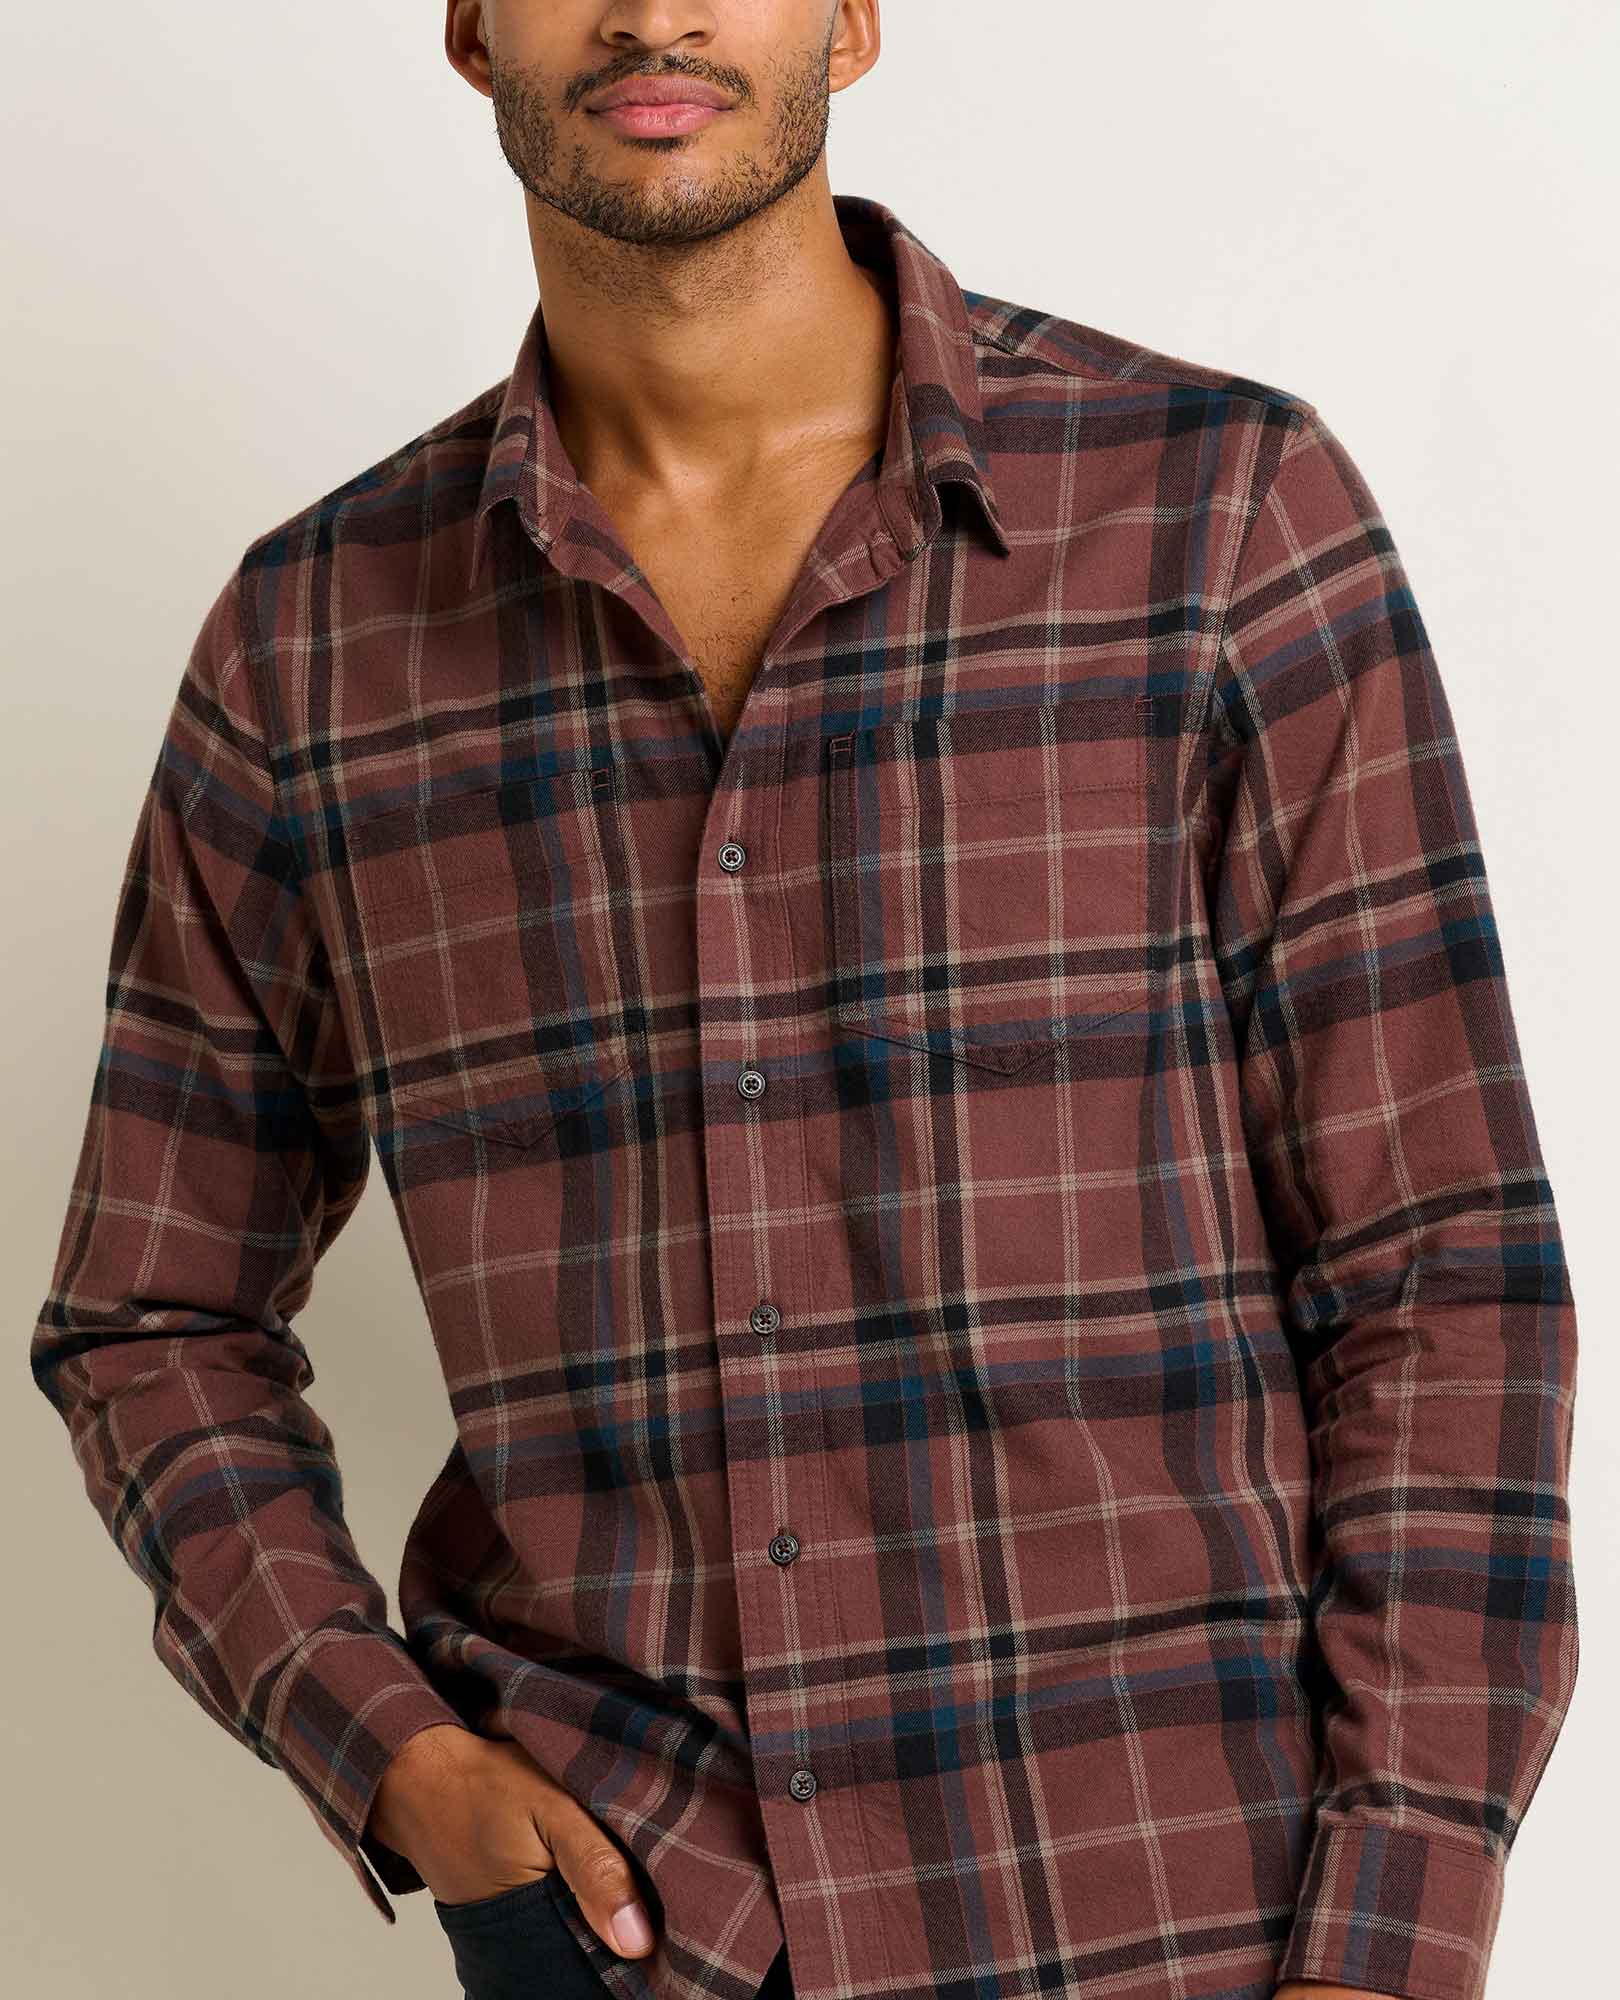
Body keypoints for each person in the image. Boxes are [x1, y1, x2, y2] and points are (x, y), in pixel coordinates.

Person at [29, 6, 1579, 2000]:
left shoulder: (1217, 520)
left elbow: (1438, 1265)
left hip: (1179, 1911)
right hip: (644, 1931)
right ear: (472, 27)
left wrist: (1390, 1932)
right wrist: (392, 1750)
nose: (651, 11)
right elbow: (154, 1315)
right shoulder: (312, 647)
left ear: (850, 19)